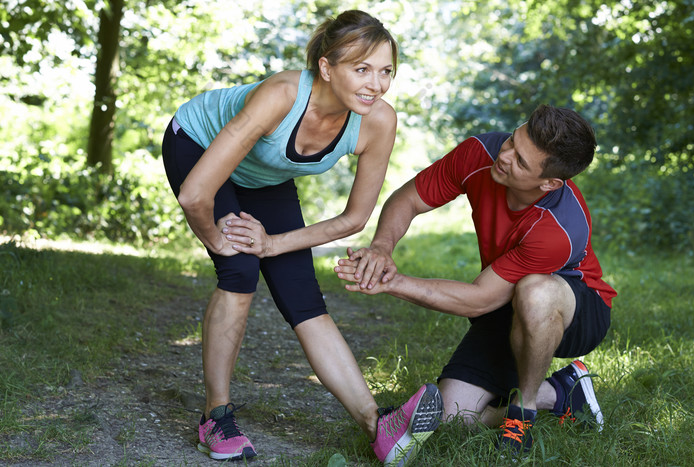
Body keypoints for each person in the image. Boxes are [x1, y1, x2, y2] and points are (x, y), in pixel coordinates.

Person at [161, 9, 442, 465]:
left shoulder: (377, 122)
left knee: (302, 294)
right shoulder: (281, 96)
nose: (377, 83)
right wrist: (217, 240)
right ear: (327, 68)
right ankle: (216, 418)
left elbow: (354, 219)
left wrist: (273, 243)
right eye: (362, 68)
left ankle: (378, 425)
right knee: (239, 268)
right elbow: (196, 194)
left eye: (386, 70)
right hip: (196, 142)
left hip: (266, 175)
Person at [335, 105, 617, 456]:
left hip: (577, 306)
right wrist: (380, 250)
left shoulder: (559, 228)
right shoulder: (480, 153)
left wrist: (392, 283)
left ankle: (524, 410)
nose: (506, 155)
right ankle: (561, 393)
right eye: (513, 140)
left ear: (549, 183)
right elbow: (407, 199)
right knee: (454, 415)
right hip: (507, 299)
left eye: (522, 161)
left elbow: (479, 299)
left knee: (535, 291)